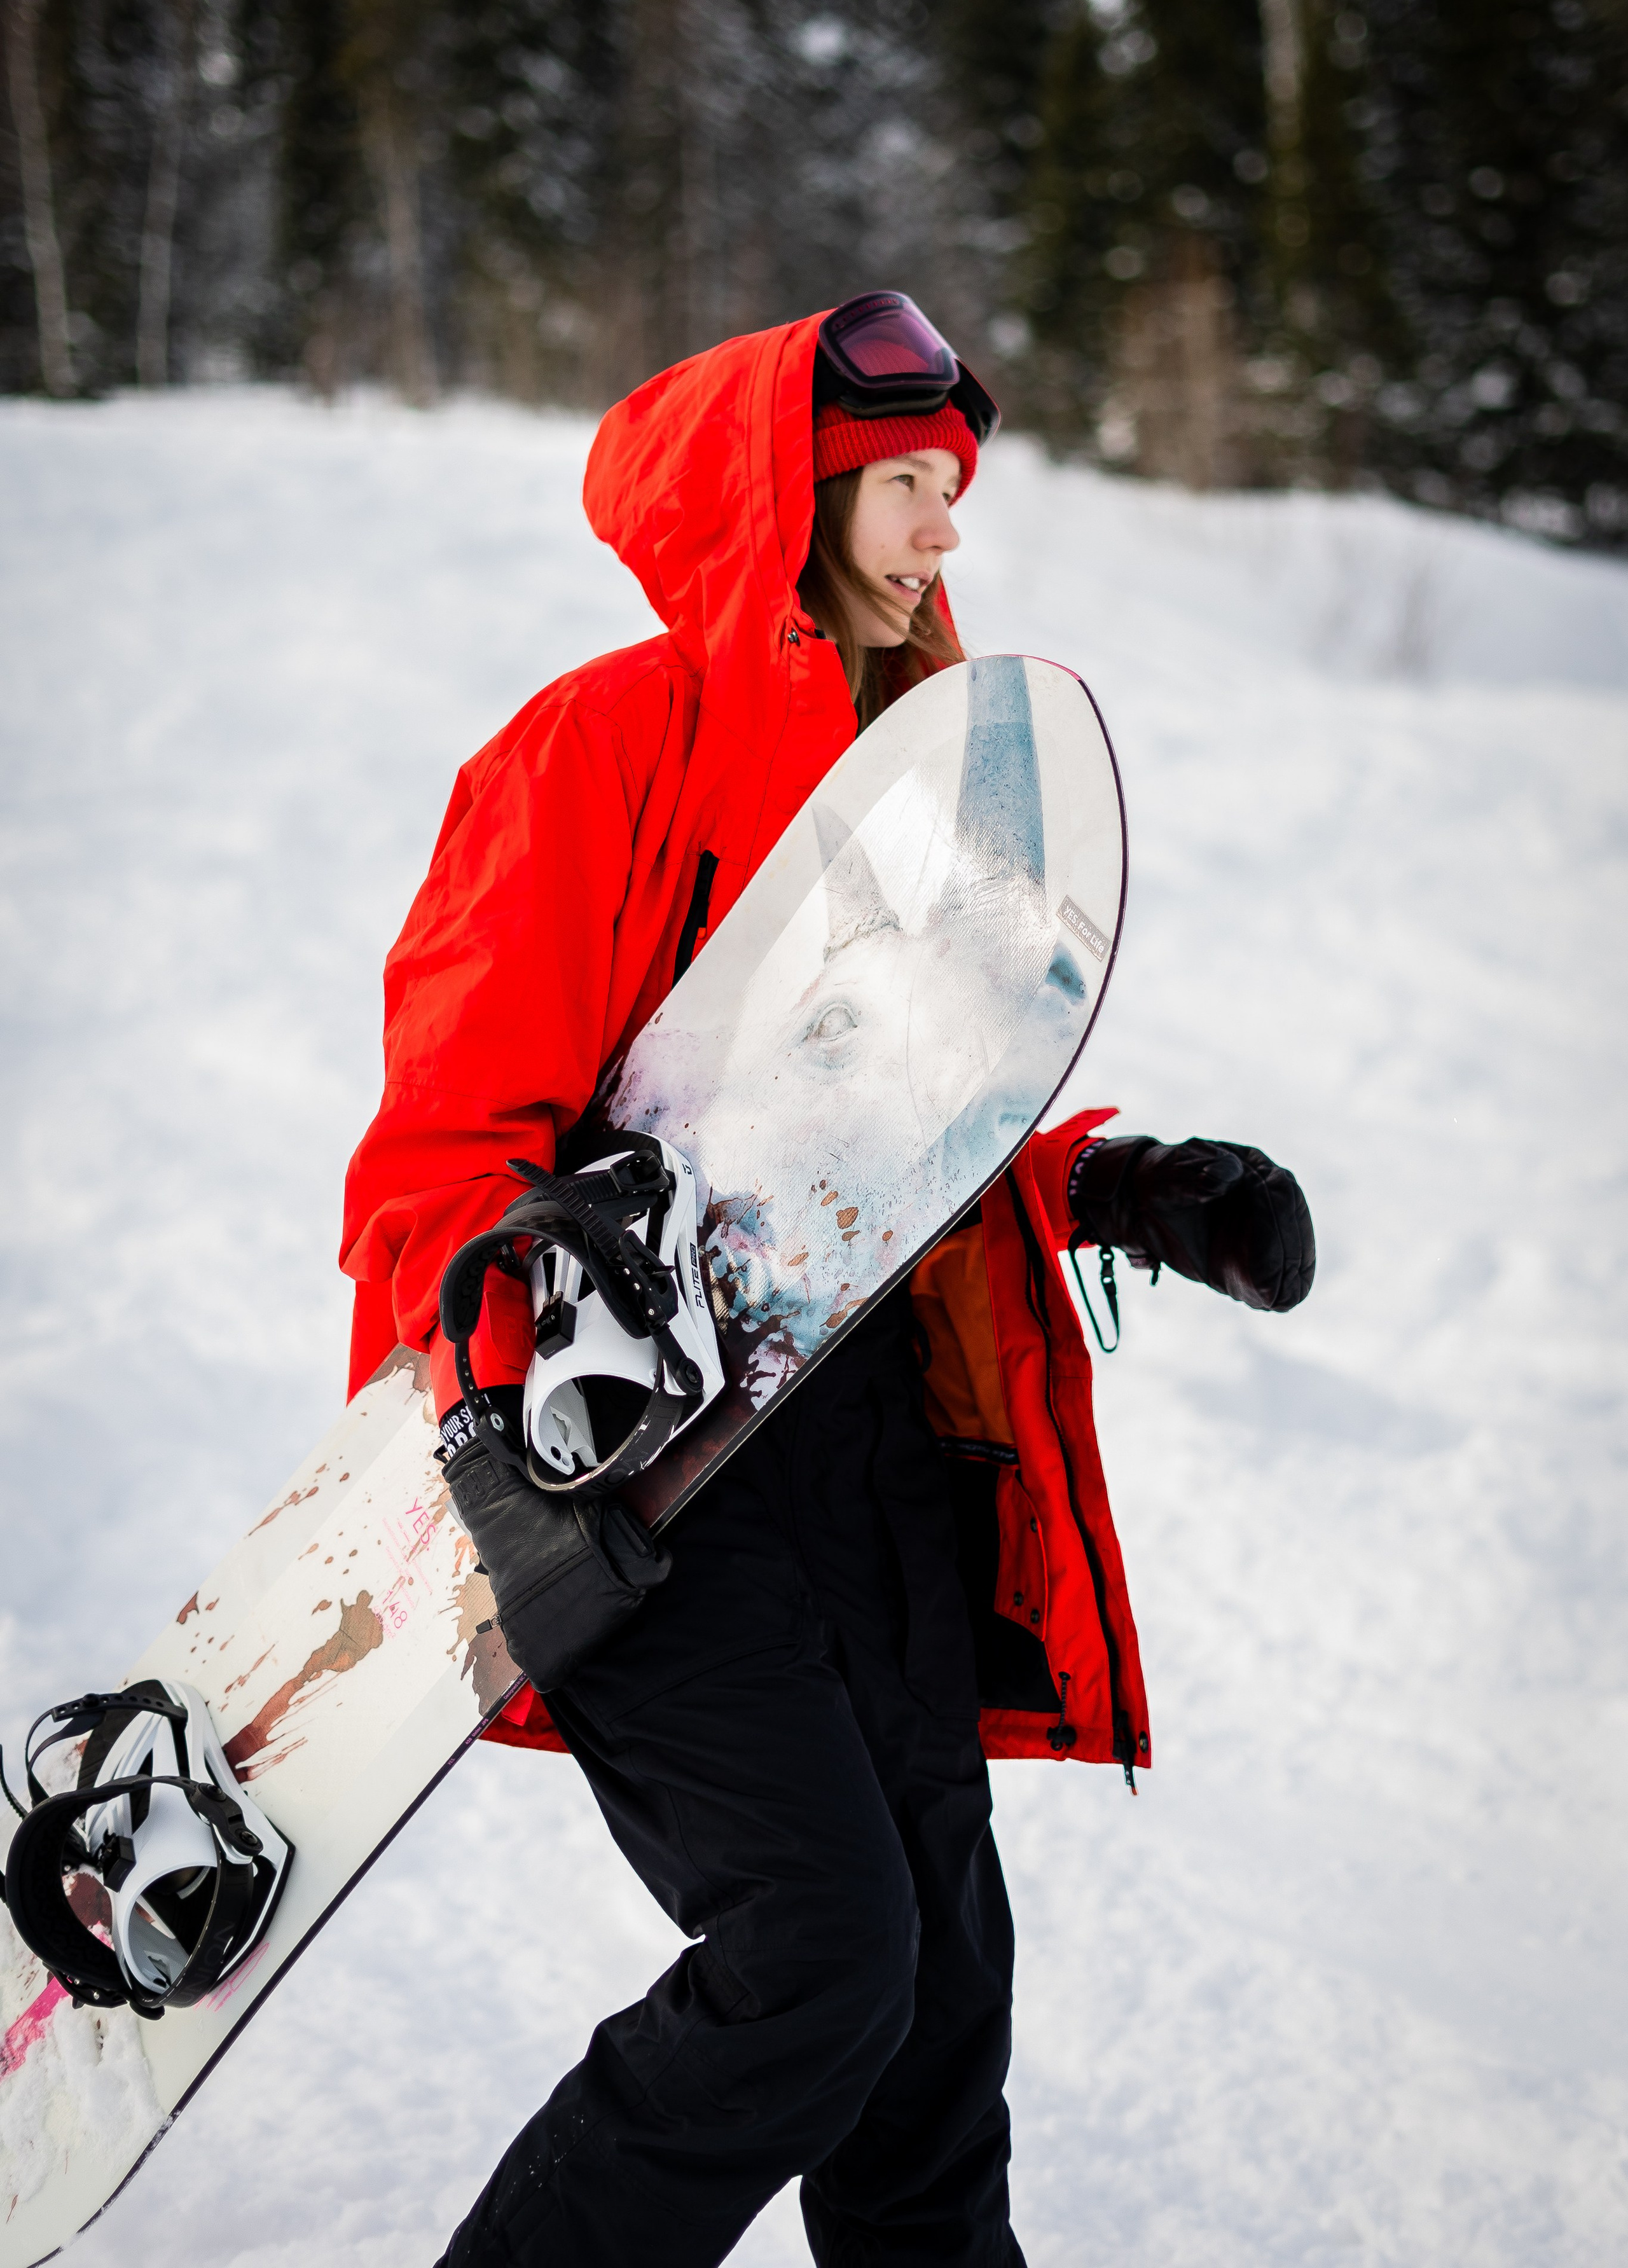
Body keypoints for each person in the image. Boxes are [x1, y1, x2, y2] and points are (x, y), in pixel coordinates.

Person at [339, 294, 1314, 2267]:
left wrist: (1119, 1192)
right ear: (780, 492)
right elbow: (435, 1154)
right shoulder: (596, 748)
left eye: (954, 491)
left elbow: (879, 1144)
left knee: (940, 2001)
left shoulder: (911, 793)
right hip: (647, 1488)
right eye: (900, 488)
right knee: (822, 1962)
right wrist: (530, 1278)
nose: (945, 533)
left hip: (871, 1467)